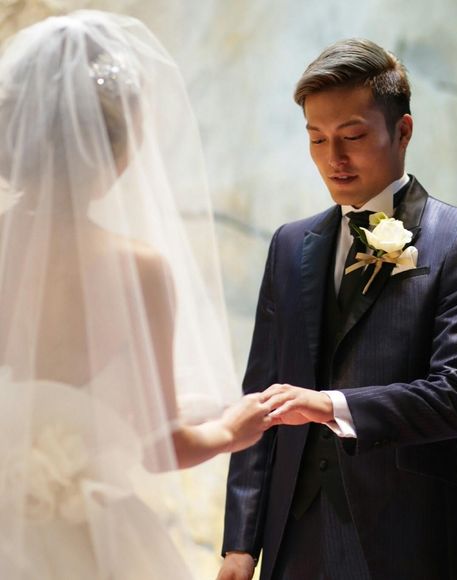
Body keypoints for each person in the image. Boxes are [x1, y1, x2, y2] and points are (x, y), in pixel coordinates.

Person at [219, 39, 457, 580]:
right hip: (294, 539)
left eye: (352, 136)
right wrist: (240, 544)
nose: (334, 158)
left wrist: (331, 405)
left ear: (402, 132)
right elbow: (261, 396)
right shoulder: (289, 245)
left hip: (405, 536)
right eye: (317, 138)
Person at [0, 10, 270, 579]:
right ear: (117, 152)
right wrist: (232, 429)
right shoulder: (138, 270)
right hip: (88, 537)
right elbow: (161, 446)